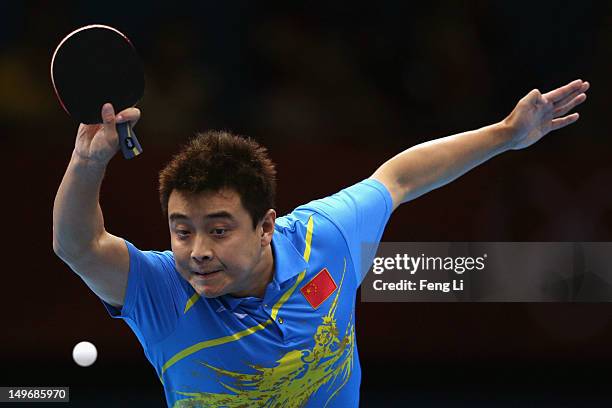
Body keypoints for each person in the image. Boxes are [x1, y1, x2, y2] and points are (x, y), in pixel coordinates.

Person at [52, 79, 589, 407]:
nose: (197, 251)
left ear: (265, 226)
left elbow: (400, 177)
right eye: (181, 230)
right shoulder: (163, 291)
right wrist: (87, 161)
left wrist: (505, 133)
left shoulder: (322, 239)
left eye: (219, 230)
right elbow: (77, 245)